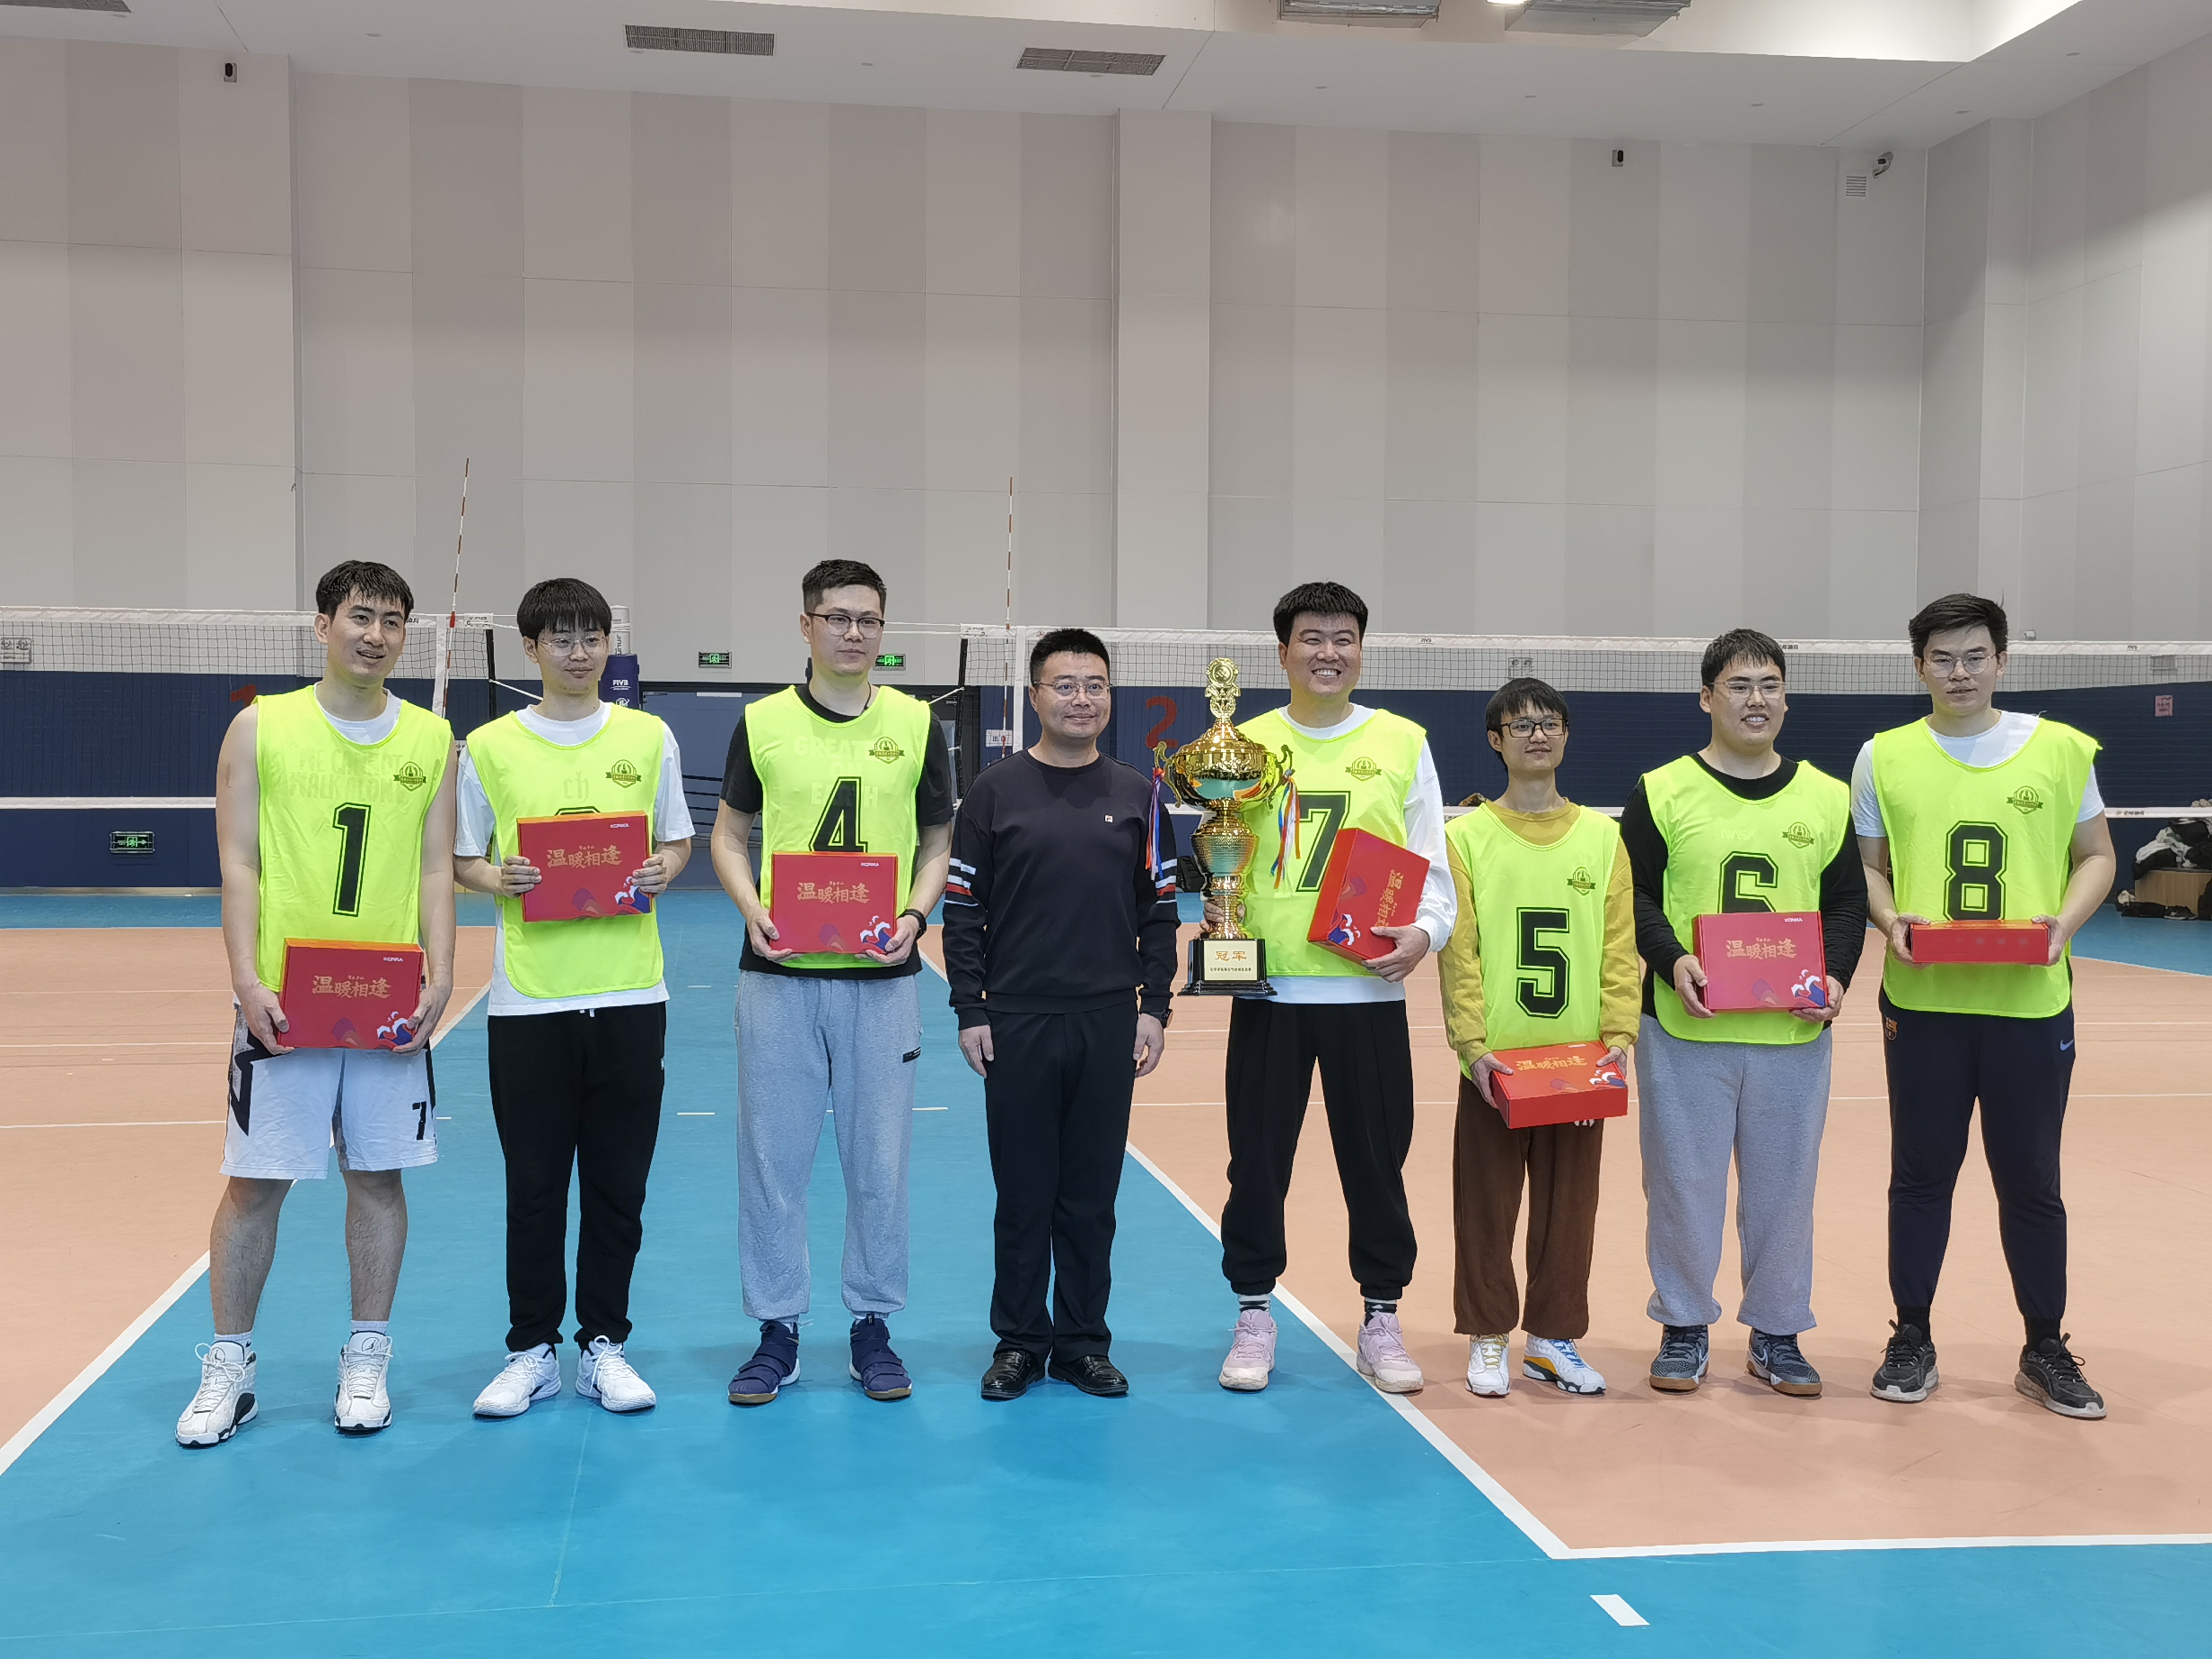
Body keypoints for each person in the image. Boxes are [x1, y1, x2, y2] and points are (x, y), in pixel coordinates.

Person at [176, 562, 457, 1447]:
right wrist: (246, 981)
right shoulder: (261, 727)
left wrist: (443, 974)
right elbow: (239, 863)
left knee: (377, 1177)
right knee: (255, 1184)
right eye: (360, 616)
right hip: (285, 1005)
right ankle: (230, 1365)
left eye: (393, 621)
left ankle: (367, 1355)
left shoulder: (432, 738)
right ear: (323, 625)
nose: (376, 635)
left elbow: (436, 869)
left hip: (388, 1003)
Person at [1856, 593, 2116, 1419]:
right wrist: (1891, 921)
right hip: (1925, 1004)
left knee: (2032, 1181)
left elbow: (2098, 855)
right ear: (1919, 667)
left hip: (2028, 1005)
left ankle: (2045, 1346)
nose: (1959, 672)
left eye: (1975, 656)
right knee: (1920, 1175)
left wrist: (2063, 924)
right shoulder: (1882, 757)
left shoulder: (2062, 750)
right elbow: (1869, 869)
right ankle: (1912, 1336)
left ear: (2002, 660)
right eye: (1942, 658)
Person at [710, 559, 954, 1405]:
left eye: (870, 620)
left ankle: (872, 1326)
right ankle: (776, 1330)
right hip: (779, 975)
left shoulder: (917, 724)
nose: (855, 633)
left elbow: (937, 842)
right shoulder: (763, 722)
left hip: (881, 979)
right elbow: (729, 835)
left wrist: (916, 916)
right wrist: (752, 908)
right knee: (771, 1160)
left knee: (879, 1162)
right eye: (838, 617)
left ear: (884, 630)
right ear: (806, 624)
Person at [455, 579, 694, 1419]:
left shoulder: (649, 736)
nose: (580, 652)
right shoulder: (490, 746)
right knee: (535, 1188)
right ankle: (532, 1351)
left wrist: (662, 870)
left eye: (592, 636)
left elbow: (677, 841)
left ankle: (603, 1347)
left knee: (618, 1186)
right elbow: (463, 859)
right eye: (561, 638)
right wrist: (500, 877)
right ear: (531, 649)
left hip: (631, 994)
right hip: (530, 1002)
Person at [1213, 582, 1455, 1396]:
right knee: (1256, 1167)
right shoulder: (1243, 745)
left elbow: (1432, 861)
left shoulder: (1402, 742)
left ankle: (1382, 1317)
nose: (1329, 652)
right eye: (1312, 638)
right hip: (1269, 996)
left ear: (1361, 649)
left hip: (1368, 998)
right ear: (1283, 651)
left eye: (1344, 637)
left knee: (1378, 1168)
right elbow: (1220, 861)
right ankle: (1253, 1314)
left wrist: (1425, 934)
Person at [1618, 630, 1864, 1398]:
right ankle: (1684, 1325)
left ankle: (1778, 1333)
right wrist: (1671, 959)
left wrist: (1837, 977)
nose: (1756, 699)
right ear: (1707, 698)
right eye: (1738, 685)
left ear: (1786, 698)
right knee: (1681, 1187)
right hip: (1685, 1029)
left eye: (1769, 685)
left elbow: (1846, 904)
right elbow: (1635, 897)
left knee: (1785, 1192)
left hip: (1792, 1034)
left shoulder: (1825, 797)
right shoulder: (1661, 791)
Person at [945, 629, 1179, 1401]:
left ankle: (1082, 1343)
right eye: (1066, 685)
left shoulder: (1139, 794)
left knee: (1090, 1198)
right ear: (1036, 696)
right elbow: (963, 911)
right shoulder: (993, 792)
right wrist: (971, 1007)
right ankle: (1019, 1342)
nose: (1082, 699)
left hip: (1109, 1022)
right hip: (1016, 1022)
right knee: (1023, 1196)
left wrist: (1155, 1008)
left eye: (1096, 686)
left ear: (1110, 696)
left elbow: (1160, 911)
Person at [1439, 678, 1637, 1398]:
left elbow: (1619, 946)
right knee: (1486, 1206)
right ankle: (1489, 1333)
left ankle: (1553, 1340)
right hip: (1497, 1061)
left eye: (1550, 723)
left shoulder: (1604, 837)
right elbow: (1460, 953)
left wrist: (1619, 1033)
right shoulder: (1465, 837)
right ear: (1496, 741)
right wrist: (1472, 1046)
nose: (1538, 735)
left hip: (1580, 1061)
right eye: (1521, 726)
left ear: (1566, 736)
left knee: (1571, 1209)